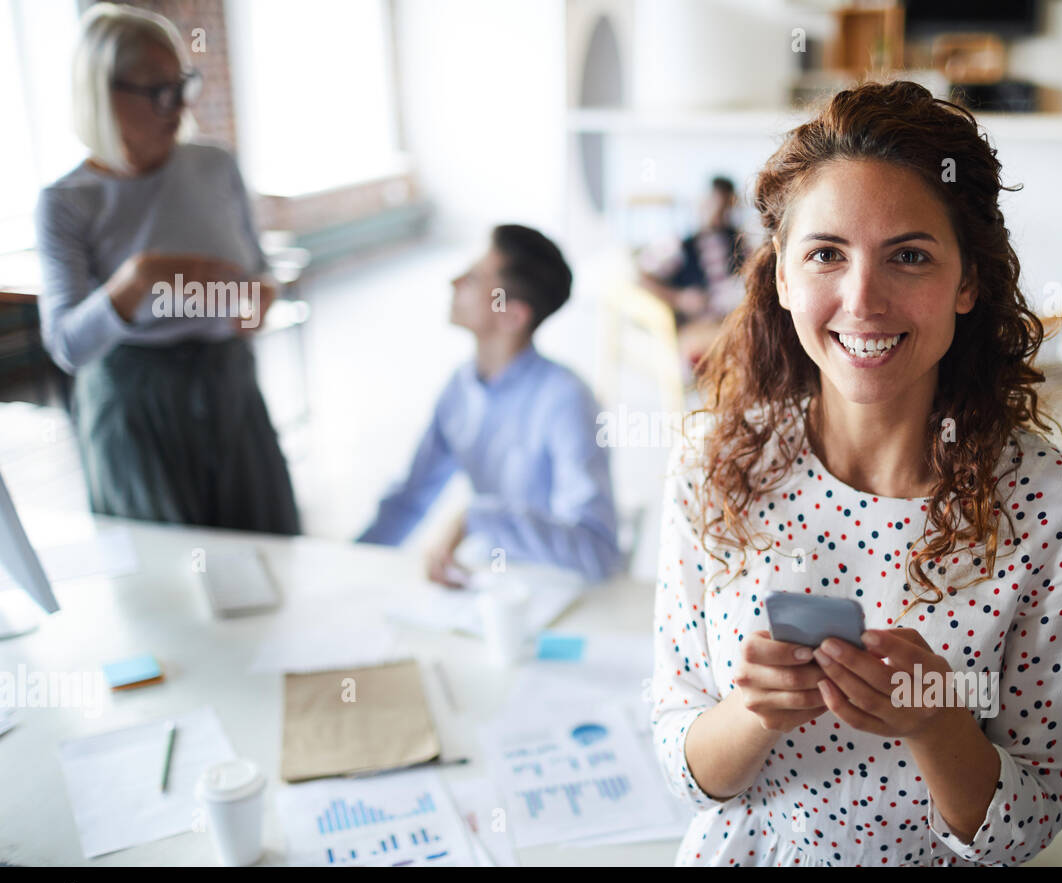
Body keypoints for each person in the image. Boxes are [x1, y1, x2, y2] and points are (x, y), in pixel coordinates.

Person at [650, 80, 1062, 867]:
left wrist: (936, 721)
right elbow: (683, 768)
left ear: (968, 282)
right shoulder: (712, 465)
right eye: (827, 253)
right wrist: (752, 711)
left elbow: (1032, 824)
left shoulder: (1059, 514)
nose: (863, 300)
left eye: (909, 256)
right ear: (784, 277)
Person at [35, 3, 299, 534]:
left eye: (183, 84)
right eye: (158, 91)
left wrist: (261, 296)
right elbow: (67, 347)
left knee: (267, 551)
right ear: (102, 94)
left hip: (229, 387)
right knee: (171, 581)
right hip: (135, 407)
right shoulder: (67, 201)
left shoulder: (214, 165)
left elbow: (260, 270)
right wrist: (134, 282)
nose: (178, 105)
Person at [357, 224, 621, 585]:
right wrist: (349, 561)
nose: (454, 282)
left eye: (475, 279)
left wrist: (476, 518)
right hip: (494, 586)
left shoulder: (566, 401)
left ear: (512, 316)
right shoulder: (459, 388)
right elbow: (410, 499)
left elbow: (598, 552)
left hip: (557, 593)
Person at [638, 176, 748, 367]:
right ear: (704, 202)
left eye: (726, 207)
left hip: (735, 319)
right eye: (715, 204)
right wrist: (678, 298)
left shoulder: (740, 242)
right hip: (700, 326)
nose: (720, 213)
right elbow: (641, 277)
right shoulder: (679, 245)